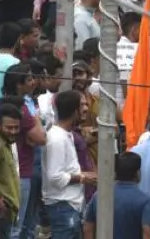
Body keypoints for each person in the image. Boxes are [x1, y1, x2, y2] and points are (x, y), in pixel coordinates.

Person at [44, 91, 97, 239]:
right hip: (63, 207)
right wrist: (82, 178)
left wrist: (84, 175)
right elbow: (55, 177)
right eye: (82, 106)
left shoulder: (66, 135)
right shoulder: (57, 138)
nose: (86, 109)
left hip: (71, 206)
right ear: (74, 111)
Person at [83, 152, 150, 239]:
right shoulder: (145, 201)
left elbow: (88, 228)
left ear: (115, 172)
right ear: (137, 173)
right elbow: (148, 233)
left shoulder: (99, 196)